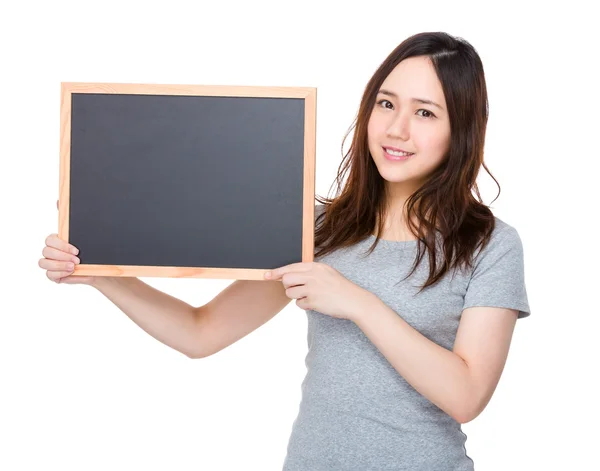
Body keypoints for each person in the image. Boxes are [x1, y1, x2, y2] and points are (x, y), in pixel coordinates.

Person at [39, 31, 530, 470]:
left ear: (461, 128)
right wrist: (101, 273)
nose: (396, 129)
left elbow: (466, 395)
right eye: (386, 104)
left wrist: (356, 302)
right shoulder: (318, 229)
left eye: (425, 112)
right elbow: (201, 333)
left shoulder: (490, 245)